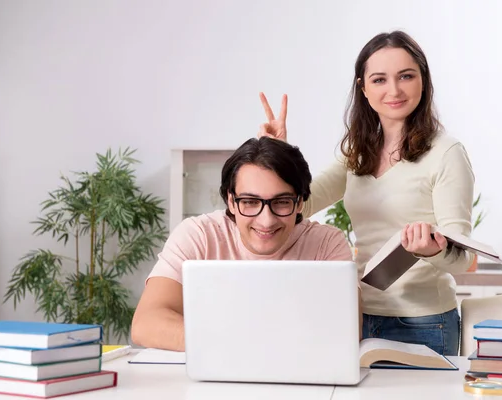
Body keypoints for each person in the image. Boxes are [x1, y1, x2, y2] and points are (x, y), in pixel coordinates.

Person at [257, 30, 475, 356]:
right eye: (379, 80)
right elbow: (300, 204)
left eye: (406, 76)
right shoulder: (356, 154)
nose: (394, 90)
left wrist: (431, 250)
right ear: (363, 88)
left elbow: (466, 259)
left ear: (423, 81)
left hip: (425, 323)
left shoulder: (446, 153)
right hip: (358, 316)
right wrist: (278, 154)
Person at [131, 137, 359, 351]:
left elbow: (349, 329)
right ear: (231, 201)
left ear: (300, 202)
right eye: (250, 202)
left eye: (281, 202)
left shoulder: (327, 244)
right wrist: (241, 345)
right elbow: (146, 323)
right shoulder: (198, 235)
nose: (266, 220)